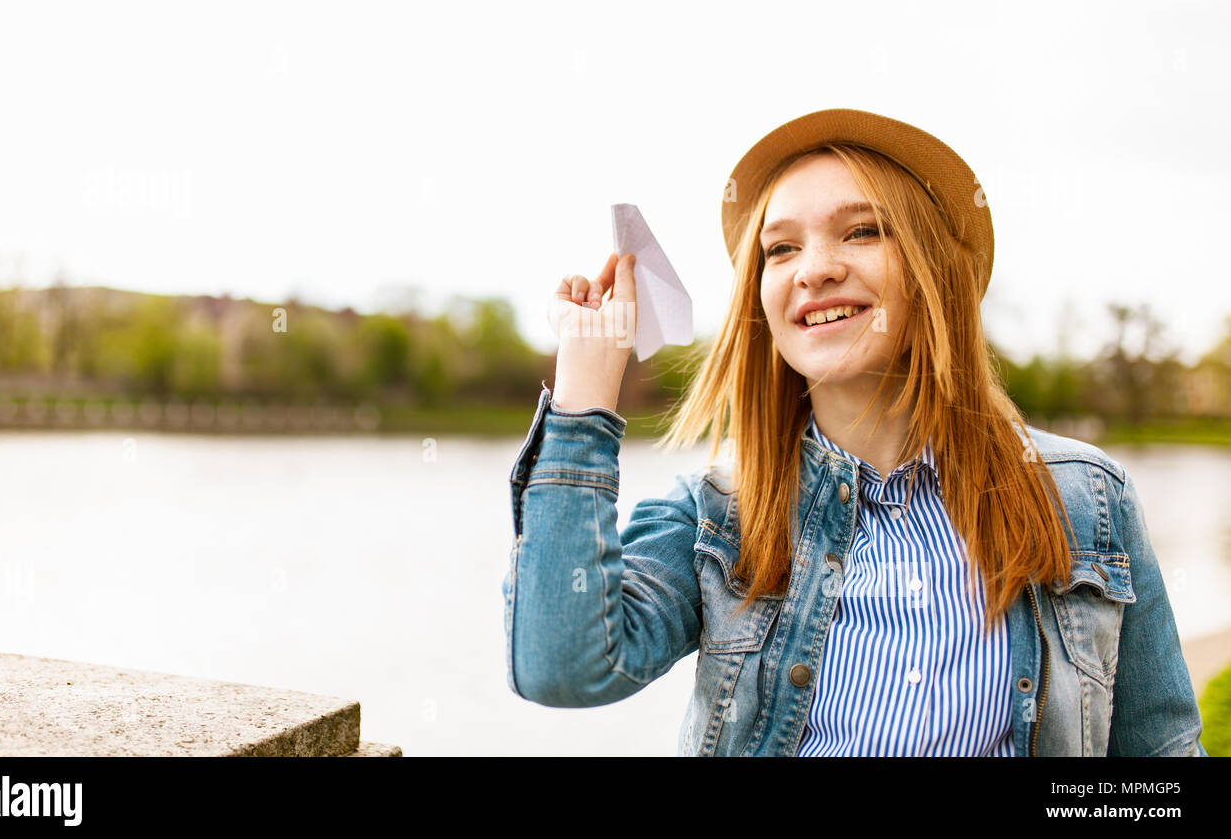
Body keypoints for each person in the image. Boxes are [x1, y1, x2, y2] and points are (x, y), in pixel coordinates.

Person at [501, 108, 1207, 757]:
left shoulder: (1085, 499)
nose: (815, 269)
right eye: (780, 250)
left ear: (934, 271)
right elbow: (561, 666)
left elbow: (1161, 754)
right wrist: (584, 396)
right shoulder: (719, 516)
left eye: (862, 231)